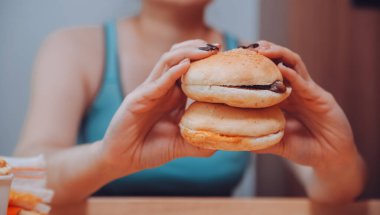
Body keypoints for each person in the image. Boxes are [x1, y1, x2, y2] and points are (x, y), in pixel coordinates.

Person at [14, 0, 366, 205]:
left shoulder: (257, 67)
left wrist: (337, 157)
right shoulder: (75, 49)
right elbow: (22, 181)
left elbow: (335, 191)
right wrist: (108, 158)